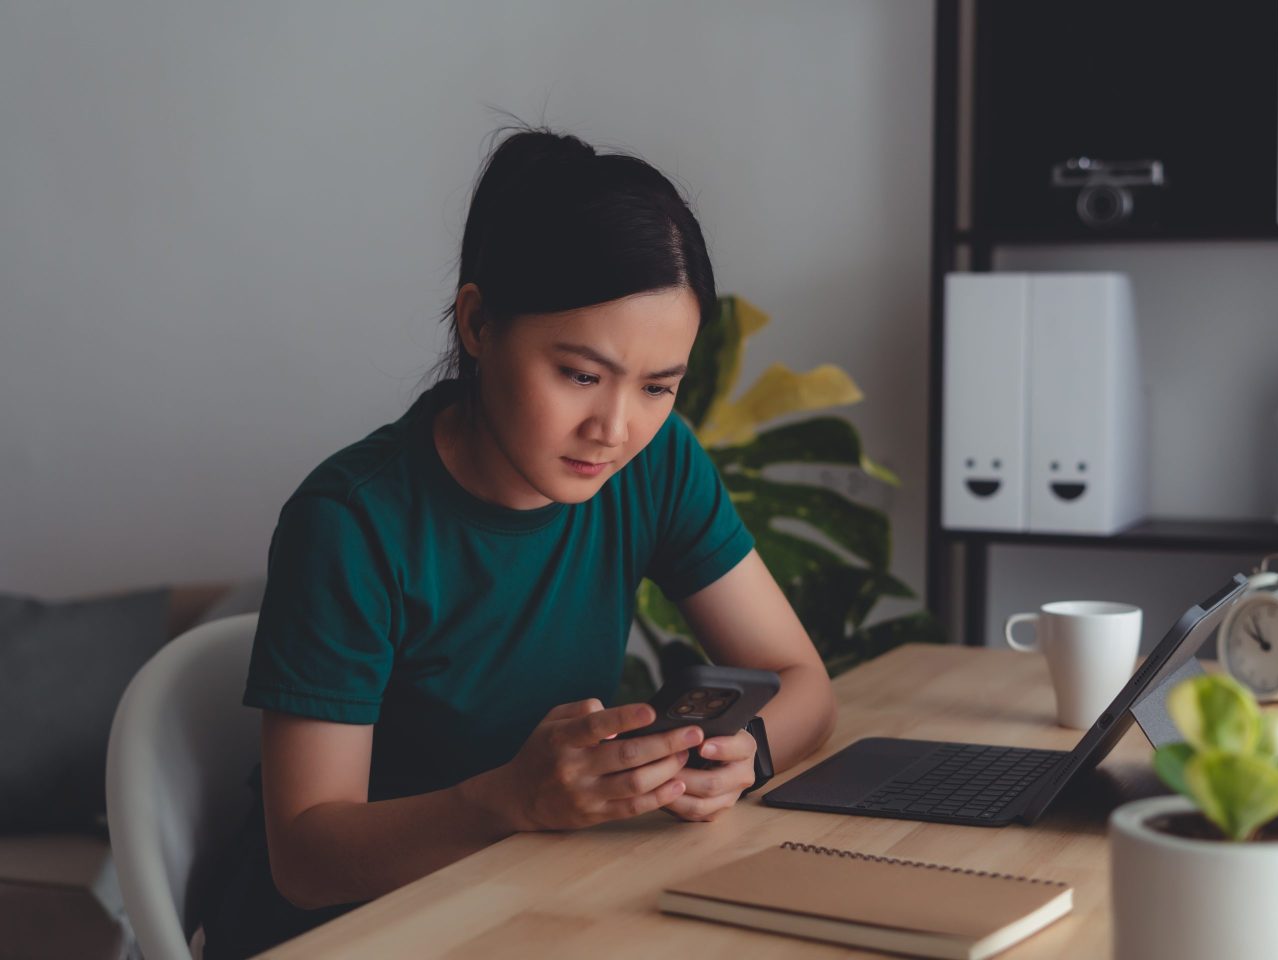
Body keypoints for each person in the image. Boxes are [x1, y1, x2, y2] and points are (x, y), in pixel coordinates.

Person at [198, 127, 837, 958]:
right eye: (579, 374)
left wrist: (740, 752)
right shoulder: (352, 522)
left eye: (658, 387)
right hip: (350, 934)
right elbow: (306, 860)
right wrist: (506, 801)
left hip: (535, 904)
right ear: (477, 323)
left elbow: (806, 686)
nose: (615, 428)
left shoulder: (656, 463)